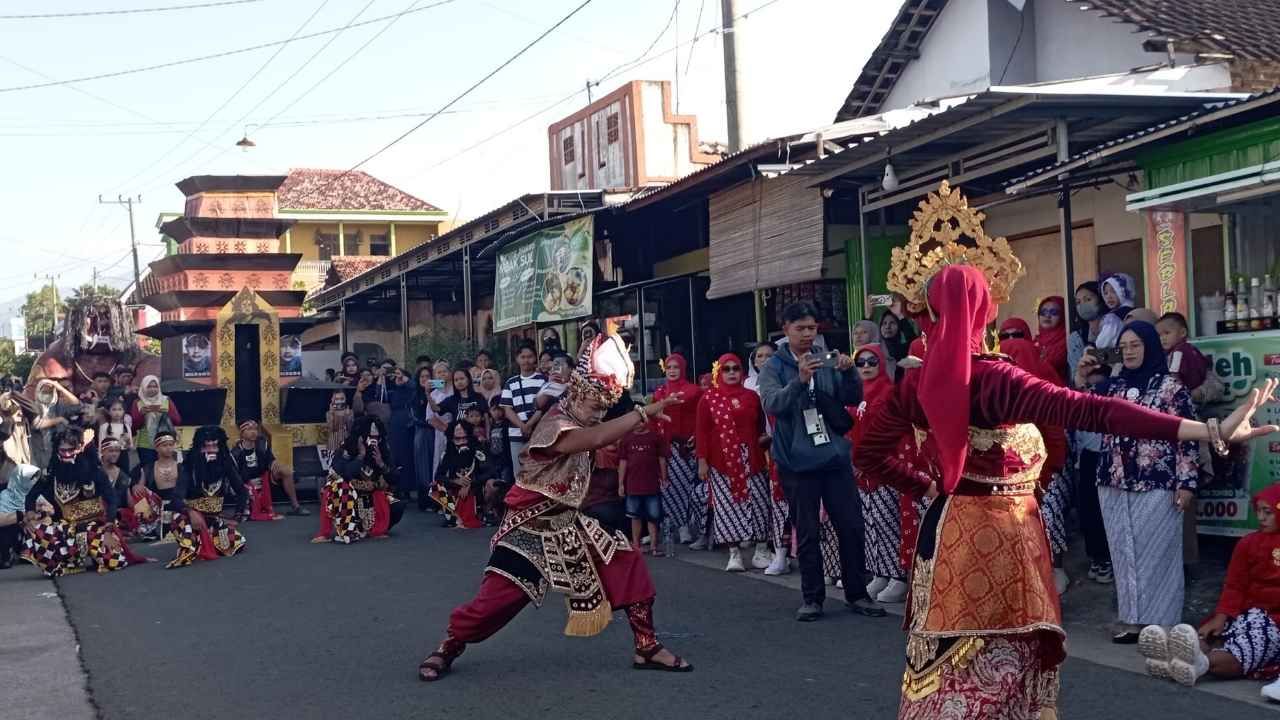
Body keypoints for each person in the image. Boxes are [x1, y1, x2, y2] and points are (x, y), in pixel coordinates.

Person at [854, 184, 1277, 717]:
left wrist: (924, 487)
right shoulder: (999, 380)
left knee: (945, 658)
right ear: (986, 308)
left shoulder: (914, 385)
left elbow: (867, 454)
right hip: (1009, 537)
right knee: (1011, 657)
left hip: (947, 534)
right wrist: (1208, 429)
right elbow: (1095, 411)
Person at [417, 332, 692, 682]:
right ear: (578, 395)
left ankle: (646, 645)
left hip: (566, 520)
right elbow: (592, 439)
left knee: (625, 558)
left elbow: (598, 433)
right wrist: (642, 414)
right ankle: (449, 645)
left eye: (603, 409)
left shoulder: (581, 417)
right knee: (494, 604)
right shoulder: (556, 423)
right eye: (595, 407)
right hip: (528, 526)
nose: (598, 414)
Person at [759, 301, 882, 622]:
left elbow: (853, 398)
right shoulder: (774, 366)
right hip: (796, 462)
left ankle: (857, 593)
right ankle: (812, 598)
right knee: (809, 531)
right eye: (800, 328)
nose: (806, 334)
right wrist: (799, 380)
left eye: (811, 328)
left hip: (834, 456)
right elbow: (773, 403)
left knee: (852, 526)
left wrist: (849, 371)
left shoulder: (825, 359)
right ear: (785, 329)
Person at [1083, 320, 1200, 643]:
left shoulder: (1172, 388)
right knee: (1124, 552)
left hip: (1158, 481)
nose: (1130, 351)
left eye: (1136, 345)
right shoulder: (1114, 388)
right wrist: (1082, 378)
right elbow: (1081, 410)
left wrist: (1186, 482)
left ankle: (1161, 625)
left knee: (1159, 553)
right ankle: (1132, 621)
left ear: (1149, 346)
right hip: (1114, 480)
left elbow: (1188, 438)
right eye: (1125, 347)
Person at [1140, 483, 1280, 691]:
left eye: (1267, 512)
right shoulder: (1248, 543)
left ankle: (1199, 665)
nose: (1261, 517)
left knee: (1244, 649)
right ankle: (1173, 657)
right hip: (1243, 613)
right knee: (1210, 637)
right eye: (1258, 511)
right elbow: (1234, 585)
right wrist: (1221, 617)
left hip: (1274, 623)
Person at [1002, 335, 1072, 594]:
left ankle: (1055, 569)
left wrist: (1049, 471)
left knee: (1048, 519)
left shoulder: (1041, 386)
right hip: (1013, 475)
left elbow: (1054, 432)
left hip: (1048, 469)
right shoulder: (998, 389)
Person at [23, 426, 143, 576]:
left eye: (70, 450)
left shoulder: (95, 472)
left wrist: (108, 530)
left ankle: (91, 555)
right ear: (57, 450)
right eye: (62, 450)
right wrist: (29, 515)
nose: (66, 454)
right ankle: (68, 561)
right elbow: (30, 496)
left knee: (114, 561)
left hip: (95, 527)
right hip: (65, 529)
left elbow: (112, 500)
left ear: (80, 448)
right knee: (37, 532)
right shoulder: (51, 474)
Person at [696, 353, 772, 573]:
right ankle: (735, 553)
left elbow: (760, 427)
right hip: (721, 462)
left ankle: (761, 551)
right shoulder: (708, 398)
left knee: (758, 503)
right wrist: (702, 461)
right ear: (719, 372)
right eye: (726, 369)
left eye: (735, 368)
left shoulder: (751, 396)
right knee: (727, 508)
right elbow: (701, 432)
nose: (731, 373)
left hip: (752, 459)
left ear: (742, 372)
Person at [849, 343, 908, 604]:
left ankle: (898, 576)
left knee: (887, 521)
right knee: (871, 521)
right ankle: (880, 572)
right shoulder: (859, 392)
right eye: (860, 362)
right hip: (863, 471)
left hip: (883, 467)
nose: (866, 367)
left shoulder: (888, 392)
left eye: (872, 361)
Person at [163, 426, 247, 569]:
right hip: (191, 521)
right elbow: (175, 499)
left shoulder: (226, 465)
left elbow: (242, 492)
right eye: (206, 446)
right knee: (179, 522)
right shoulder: (188, 467)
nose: (211, 450)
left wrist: (236, 518)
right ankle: (192, 545)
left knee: (237, 543)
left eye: (215, 445)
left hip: (214, 522)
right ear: (198, 448)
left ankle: (200, 545)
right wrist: (191, 512)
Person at [313, 416, 404, 544]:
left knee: (397, 505)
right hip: (349, 496)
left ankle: (374, 528)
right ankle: (343, 529)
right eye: (371, 436)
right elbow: (340, 473)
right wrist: (360, 456)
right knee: (335, 489)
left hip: (371, 496)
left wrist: (381, 464)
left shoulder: (382, 448)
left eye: (376, 437)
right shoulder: (348, 447)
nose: (374, 440)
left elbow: (395, 478)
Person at [653, 353, 703, 547]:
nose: (672, 371)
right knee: (669, 489)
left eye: (675, 367)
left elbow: (702, 416)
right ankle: (680, 526)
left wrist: (697, 436)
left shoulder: (694, 390)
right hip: (666, 449)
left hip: (689, 447)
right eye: (669, 367)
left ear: (682, 369)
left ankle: (692, 527)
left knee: (689, 488)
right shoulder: (659, 393)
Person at [232, 420, 309, 518]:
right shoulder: (236, 452)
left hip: (264, 479)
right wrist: (250, 482)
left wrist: (274, 463)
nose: (253, 432)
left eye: (255, 429)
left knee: (286, 471)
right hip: (247, 484)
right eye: (249, 429)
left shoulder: (262, 443)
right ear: (242, 433)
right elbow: (236, 476)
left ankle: (296, 507)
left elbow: (270, 460)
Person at [431, 419, 493, 529]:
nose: (462, 442)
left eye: (465, 438)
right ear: (452, 438)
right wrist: (455, 481)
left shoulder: (478, 450)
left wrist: (470, 483)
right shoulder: (448, 453)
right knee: (435, 487)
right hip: (455, 490)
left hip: (476, 489)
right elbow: (438, 475)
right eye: (457, 439)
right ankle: (452, 516)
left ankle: (484, 513)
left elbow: (490, 472)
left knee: (492, 484)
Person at [619, 419, 666, 556]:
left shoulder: (655, 437)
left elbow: (661, 459)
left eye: (641, 421)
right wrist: (621, 483)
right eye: (635, 421)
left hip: (652, 485)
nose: (638, 424)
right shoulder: (626, 439)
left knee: (653, 517)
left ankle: (653, 546)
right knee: (635, 516)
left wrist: (664, 477)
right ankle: (636, 545)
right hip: (632, 485)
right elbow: (623, 462)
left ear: (646, 421)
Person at [500, 340, 547, 474]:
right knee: (519, 471)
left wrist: (530, 424)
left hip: (539, 431)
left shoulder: (543, 380)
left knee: (540, 469)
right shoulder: (510, 382)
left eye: (530, 357)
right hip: (516, 433)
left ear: (535, 359)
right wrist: (522, 426)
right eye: (523, 357)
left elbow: (543, 407)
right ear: (517, 359)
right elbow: (507, 409)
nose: (526, 360)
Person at [1156, 312, 1213, 402]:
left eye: (1167, 333)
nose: (1162, 338)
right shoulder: (1191, 348)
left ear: (1183, 332)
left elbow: (1174, 377)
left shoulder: (1178, 352)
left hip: (1189, 397)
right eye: (1159, 335)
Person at [30, 379, 81, 471]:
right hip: (38, 451)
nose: (47, 394)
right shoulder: (33, 407)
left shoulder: (59, 406)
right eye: (44, 392)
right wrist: (59, 420)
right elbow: (36, 424)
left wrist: (60, 388)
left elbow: (77, 406)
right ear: (38, 391)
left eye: (50, 392)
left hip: (58, 451)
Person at [130, 375, 181, 466]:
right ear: (143, 387)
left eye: (155, 386)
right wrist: (141, 414)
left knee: (165, 469)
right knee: (148, 471)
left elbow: (177, 420)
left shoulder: (166, 400)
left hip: (165, 443)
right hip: (145, 444)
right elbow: (134, 426)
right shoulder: (138, 402)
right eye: (149, 386)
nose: (152, 389)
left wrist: (166, 413)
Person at [412, 366, 438, 511]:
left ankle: (437, 500)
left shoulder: (438, 393)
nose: (425, 379)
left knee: (435, 466)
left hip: (437, 432)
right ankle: (424, 500)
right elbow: (415, 416)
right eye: (422, 376)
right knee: (423, 467)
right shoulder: (415, 395)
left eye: (428, 376)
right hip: (423, 432)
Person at [1096, 273, 1137, 349]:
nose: (1109, 296)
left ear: (1123, 291)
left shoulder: (1113, 317)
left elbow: (1101, 343)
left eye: (1114, 291)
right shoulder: (1137, 312)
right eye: (1105, 293)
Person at [1033, 296, 1069, 383]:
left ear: (1063, 315)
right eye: (1043, 312)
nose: (1047, 316)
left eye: (1054, 312)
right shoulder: (1035, 341)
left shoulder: (1067, 341)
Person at [98, 396, 134, 477]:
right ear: (109, 411)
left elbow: (130, 447)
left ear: (124, 411)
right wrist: (101, 459)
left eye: (120, 409)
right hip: (108, 455)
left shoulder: (126, 427)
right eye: (114, 409)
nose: (117, 412)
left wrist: (127, 441)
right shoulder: (104, 427)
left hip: (123, 456)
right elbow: (101, 446)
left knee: (124, 477)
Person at [325, 390, 353, 467]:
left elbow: (351, 430)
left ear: (345, 399)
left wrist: (347, 417)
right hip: (333, 446)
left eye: (342, 398)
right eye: (337, 399)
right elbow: (333, 429)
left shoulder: (350, 412)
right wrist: (333, 413)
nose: (339, 401)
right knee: (334, 473)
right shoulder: (329, 413)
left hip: (347, 447)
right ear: (332, 400)